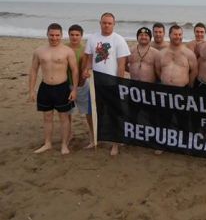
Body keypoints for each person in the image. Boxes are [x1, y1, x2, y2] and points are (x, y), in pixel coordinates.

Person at [84, 12, 130, 156]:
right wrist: (86, 71)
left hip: (112, 83)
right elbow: (89, 60)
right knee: (94, 112)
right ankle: (94, 139)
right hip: (95, 83)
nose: (106, 25)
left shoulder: (119, 40)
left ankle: (115, 143)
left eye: (109, 23)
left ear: (114, 24)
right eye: (104, 22)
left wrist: (119, 83)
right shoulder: (92, 38)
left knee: (114, 114)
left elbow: (121, 65)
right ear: (100, 23)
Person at [28, 23, 78, 155]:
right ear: (47, 34)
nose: (54, 38)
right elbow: (33, 70)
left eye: (57, 35)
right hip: (45, 88)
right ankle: (48, 143)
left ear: (61, 35)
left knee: (64, 117)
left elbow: (74, 70)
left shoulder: (67, 51)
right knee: (47, 117)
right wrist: (31, 90)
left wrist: (74, 90)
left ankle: (64, 144)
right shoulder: (39, 51)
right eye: (51, 35)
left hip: (62, 87)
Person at [66, 24, 94, 149]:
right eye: (72, 35)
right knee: (67, 113)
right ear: (68, 35)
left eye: (77, 35)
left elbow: (88, 67)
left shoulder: (85, 50)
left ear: (81, 36)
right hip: (66, 86)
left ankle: (93, 137)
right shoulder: (64, 48)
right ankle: (68, 134)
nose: (74, 37)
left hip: (82, 86)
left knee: (89, 113)